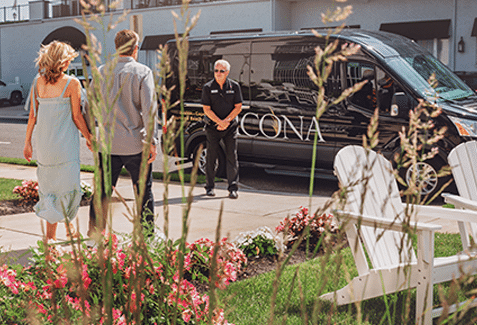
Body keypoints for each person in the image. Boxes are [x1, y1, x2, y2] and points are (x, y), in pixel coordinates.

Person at [88, 29, 158, 236]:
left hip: (108, 144)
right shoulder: (143, 72)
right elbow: (149, 109)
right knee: (143, 193)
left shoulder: (101, 71)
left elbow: (89, 105)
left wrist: (91, 134)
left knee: (101, 192)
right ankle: (146, 236)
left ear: (117, 48)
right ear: (135, 49)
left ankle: (95, 236)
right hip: (136, 144)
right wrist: (152, 141)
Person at [23, 41, 93, 242]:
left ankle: (64, 232)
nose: (70, 63)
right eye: (69, 60)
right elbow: (77, 116)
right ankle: (50, 239)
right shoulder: (72, 83)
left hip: (44, 146)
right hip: (65, 148)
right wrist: (89, 139)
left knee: (50, 190)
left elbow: (32, 117)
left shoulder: (38, 82)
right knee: (67, 189)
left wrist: (27, 143)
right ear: (62, 62)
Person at [201, 59, 243, 199]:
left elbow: (238, 107)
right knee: (211, 157)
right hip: (213, 127)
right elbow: (206, 109)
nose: (218, 73)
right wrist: (219, 122)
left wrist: (226, 122)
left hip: (230, 127)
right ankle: (209, 187)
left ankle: (233, 188)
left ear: (227, 72)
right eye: (216, 70)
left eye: (221, 71)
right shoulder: (208, 87)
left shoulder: (234, 86)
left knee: (232, 157)